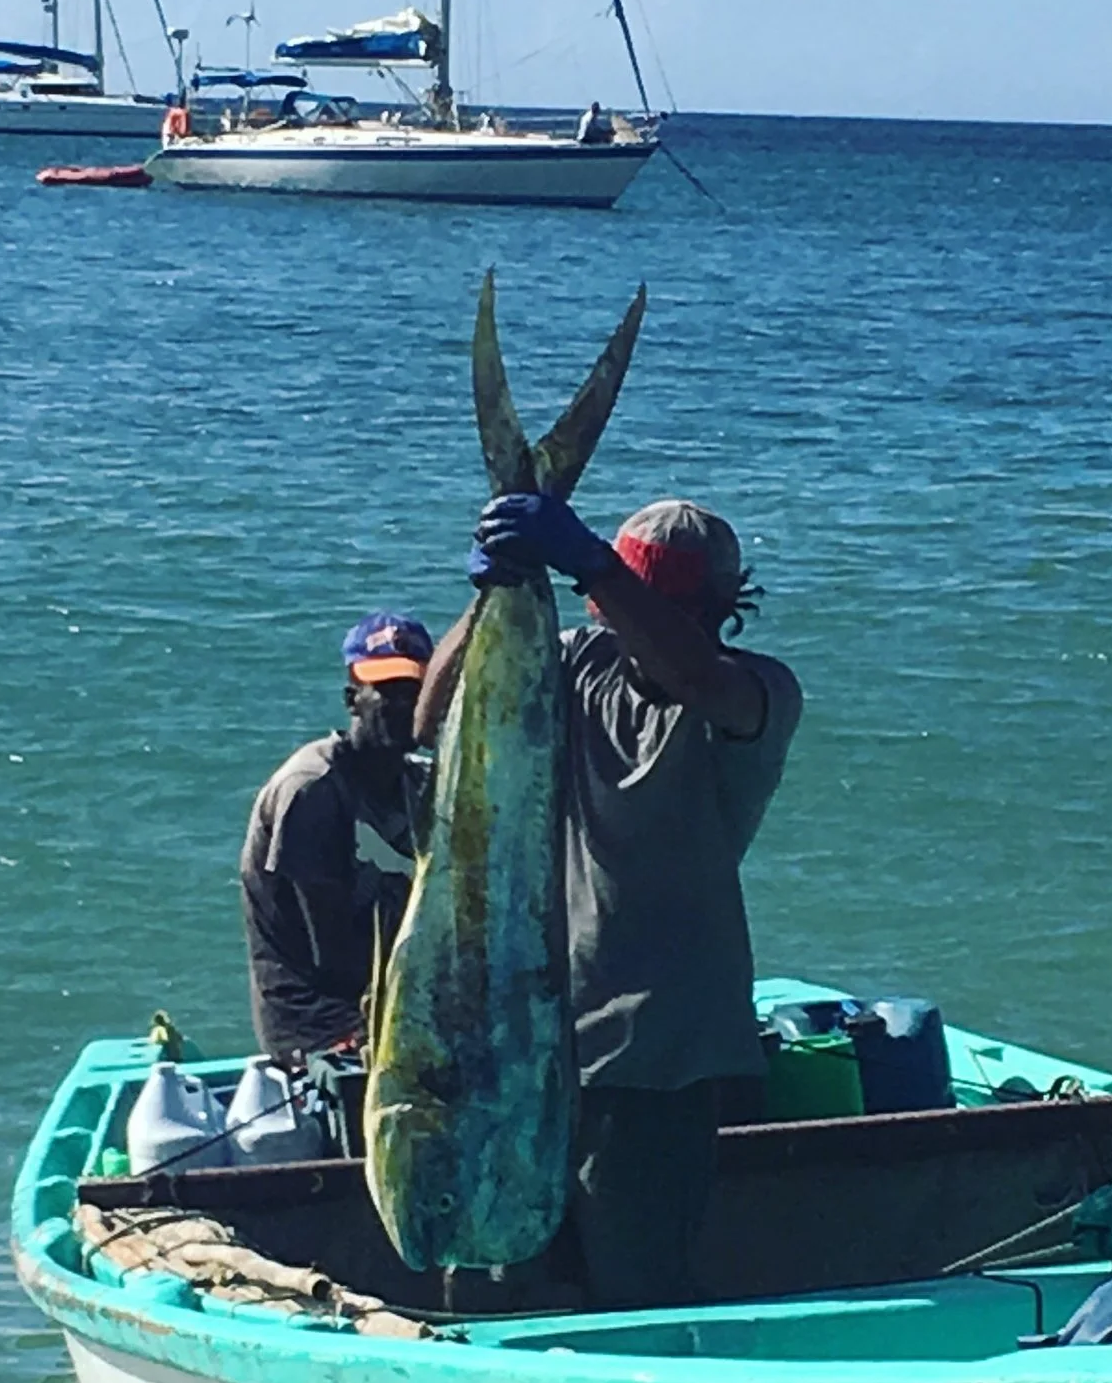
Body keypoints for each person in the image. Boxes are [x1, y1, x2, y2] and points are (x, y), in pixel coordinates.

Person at [415, 495, 802, 1311]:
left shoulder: (755, 694)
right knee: (489, 1269)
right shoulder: (573, 661)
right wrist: (493, 595)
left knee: (636, 1279)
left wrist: (593, 561)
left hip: (656, 1053)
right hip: (525, 1032)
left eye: (670, 606)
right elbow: (435, 719)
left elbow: (693, 673)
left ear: (718, 613)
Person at [239, 611, 434, 1066]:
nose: (404, 705)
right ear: (353, 700)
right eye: (387, 692)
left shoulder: (423, 787)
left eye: (415, 692)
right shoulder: (312, 789)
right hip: (320, 1022)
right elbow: (331, 952)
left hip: (395, 1000)